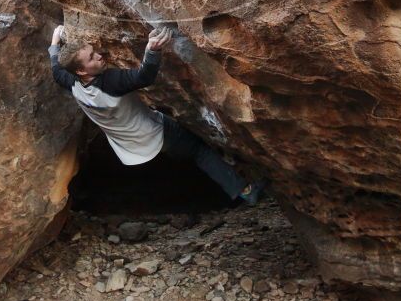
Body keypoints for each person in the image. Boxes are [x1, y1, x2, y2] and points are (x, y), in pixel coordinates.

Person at [48, 24, 265, 206]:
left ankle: (224, 170)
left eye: (94, 51)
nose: (99, 56)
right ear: (82, 71)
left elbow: (56, 68)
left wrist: (55, 42)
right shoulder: (110, 82)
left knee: (186, 146)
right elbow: (144, 77)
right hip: (155, 133)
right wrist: (152, 50)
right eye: (91, 58)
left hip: (131, 144)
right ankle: (245, 190)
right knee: (199, 150)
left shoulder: (71, 82)